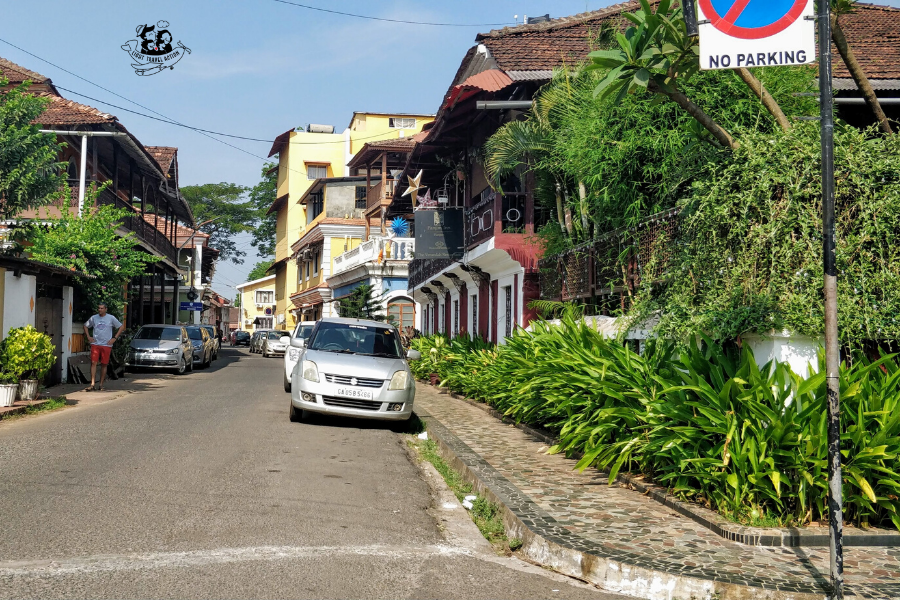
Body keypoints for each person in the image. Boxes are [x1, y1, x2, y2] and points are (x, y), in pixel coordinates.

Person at [83, 303, 126, 391]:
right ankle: (92, 383)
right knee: (94, 362)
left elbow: (121, 327)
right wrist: (88, 336)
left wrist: (114, 338)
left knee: (104, 364)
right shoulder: (94, 318)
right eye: (99, 308)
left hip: (106, 344)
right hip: (95, 343)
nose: (100, 310)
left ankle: (101, 384)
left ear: (106, 309)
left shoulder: (111, 318)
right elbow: (85, 326)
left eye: (102, 308)